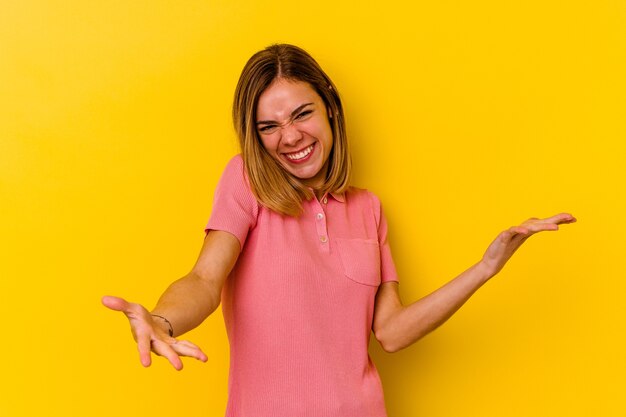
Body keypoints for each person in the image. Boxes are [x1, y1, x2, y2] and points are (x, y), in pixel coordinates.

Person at [102, 44, 576, 417]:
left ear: (330, 105)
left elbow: (390, 332)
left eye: (302, 114)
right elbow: (205, 279)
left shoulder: (368, 209)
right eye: (269, 125)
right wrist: (162, 321)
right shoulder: (246, 180)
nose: (289, 137)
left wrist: (487, 267)